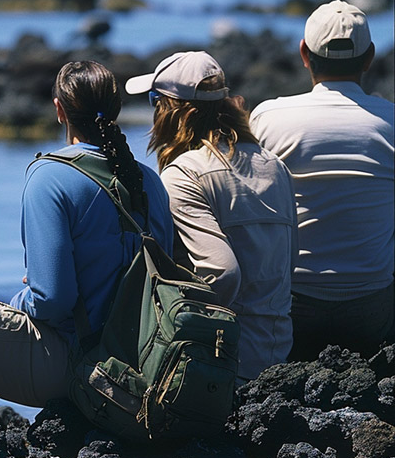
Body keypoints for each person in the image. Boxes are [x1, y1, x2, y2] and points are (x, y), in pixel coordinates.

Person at [0, 60, 173, 428]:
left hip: (81, 368)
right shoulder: (150, 183)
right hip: (141, 364)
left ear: (59, 110)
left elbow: (53, 301)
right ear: (116, 109)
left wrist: (17, 301)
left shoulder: (52, 177)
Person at [126, 50, 297, 382]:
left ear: (176, 111)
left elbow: (222, 272)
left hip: (222, 366)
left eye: (154, 101)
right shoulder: (275, 166)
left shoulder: (184, 174)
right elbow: (289, 264)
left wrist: (168, 328)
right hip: (277, 354)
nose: (154, 112)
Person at [250, 0, 395, 360]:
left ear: (304, 53)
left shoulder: (268, 117)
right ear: (369, 57)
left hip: (291, 302)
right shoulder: (392, 120)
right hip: (372, 303)